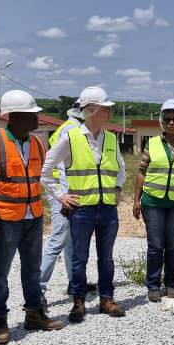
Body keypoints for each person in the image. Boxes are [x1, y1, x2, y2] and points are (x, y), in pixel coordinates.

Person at [0, 90, 62, 344]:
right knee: (0, 272)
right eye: (31, 115)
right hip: (6, 219)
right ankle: (1, 321)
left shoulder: (37, 143)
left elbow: (43, 177)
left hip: (33, 216)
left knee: (32, 269)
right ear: (14, 117)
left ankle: (34, 313)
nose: (37, 119)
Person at [41, 86, 127, 322]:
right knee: (79, 258)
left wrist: (118, 188)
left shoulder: (110, 138)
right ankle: (78, 302)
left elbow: (121, 169)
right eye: (105, 109)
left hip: (107, 208)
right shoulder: (70, 137)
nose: (110, 113)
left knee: (106, 257)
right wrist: (61, 196)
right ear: (91, 110)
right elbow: (46, 172)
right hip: (81, 209)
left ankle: (106, 299)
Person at [133, 99, 174, 302]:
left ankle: (170, 282)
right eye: (167, 119)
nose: (171, 123)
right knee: (155, 245)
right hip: (152, 202)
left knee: (172, 245)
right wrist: (136, 200)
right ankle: (153, 285)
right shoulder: (152, 144)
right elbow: (141, 172)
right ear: (161, 121)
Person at [38, 100, 97, 303]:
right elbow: (61, 169)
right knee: (58, 240)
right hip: (63, 194)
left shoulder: (68, 127)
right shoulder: (72, 131)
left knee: (70, 242)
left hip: (65, 192)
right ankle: (38, 290)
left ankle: (75, 283)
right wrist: (62, 197)